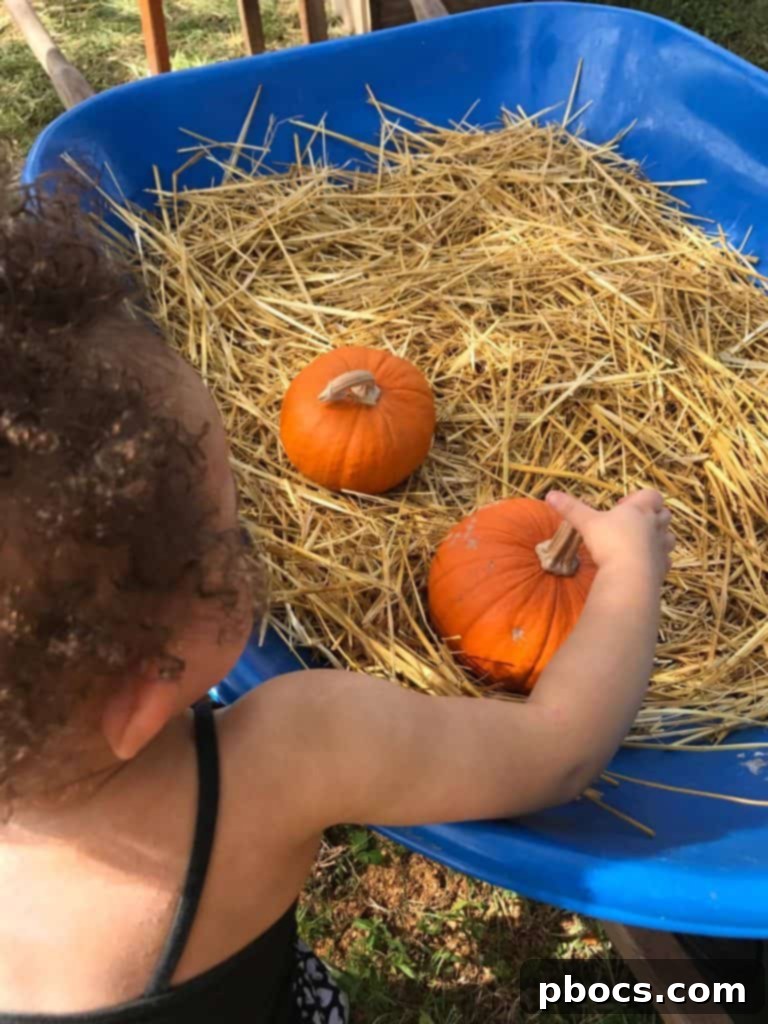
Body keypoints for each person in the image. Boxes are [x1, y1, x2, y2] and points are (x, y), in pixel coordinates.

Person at [0, 167, 675, 1024]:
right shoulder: (287, 756)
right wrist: (628, 575)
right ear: (140, 685)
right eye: (226, 536)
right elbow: (559, 749)